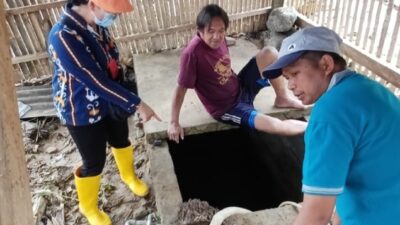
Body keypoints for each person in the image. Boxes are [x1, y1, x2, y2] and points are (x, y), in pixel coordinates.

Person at [263, 26, 400, 225]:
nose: (290, 85)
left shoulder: (329, 113)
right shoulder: (371, 90)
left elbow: (316, 216)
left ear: (326, 64)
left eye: (295, 73)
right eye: (286, 78)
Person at [48, 0, 160, 224]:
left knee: (120, 139)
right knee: (94, 161)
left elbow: (110, 62)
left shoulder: (96, 24)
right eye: (112, 12)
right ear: (92, 4)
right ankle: (88, 208)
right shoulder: (63, 36)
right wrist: (137, 103)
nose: (114, 18)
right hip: (79, 109)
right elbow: (94, 81)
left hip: (109, 101)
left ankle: (128, 176)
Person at [168, 4, 307, 143]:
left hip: (240, 87)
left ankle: (282, 98)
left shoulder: (221, 39)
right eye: (211, 31)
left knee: (270, 53)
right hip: (227, 108)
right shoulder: (192, 54)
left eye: (221, 30)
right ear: (200, 31)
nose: (217, 36)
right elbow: (180, 88)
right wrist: (174, 122)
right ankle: (313, 126)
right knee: (274, 125)